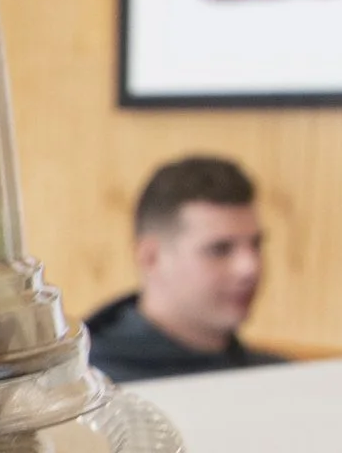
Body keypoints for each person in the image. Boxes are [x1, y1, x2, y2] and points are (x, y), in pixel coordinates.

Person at [84, 156, 285, 382]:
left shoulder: (281, 380)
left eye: (256, 245)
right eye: (220, 249)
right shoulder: (87, 391)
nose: (249, 268)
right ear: (151, 258)